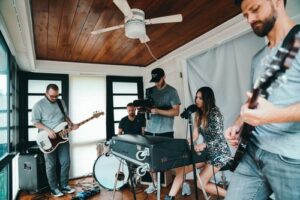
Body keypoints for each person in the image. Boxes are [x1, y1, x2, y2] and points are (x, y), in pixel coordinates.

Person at [225, 0, 300, 199]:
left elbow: (270, 113)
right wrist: (239, 123)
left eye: (255, 9)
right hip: (252, 152)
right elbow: (254, 101)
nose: (249, 19)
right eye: (245, 15)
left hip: (291, 159)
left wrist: (276, 115)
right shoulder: (258, 59)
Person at [165, 87, 231, 200]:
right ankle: (170, 198)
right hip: (206, 153)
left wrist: (203, 145)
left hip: (219, 153)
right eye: (196, 97)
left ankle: (235, 196)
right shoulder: (198, 114)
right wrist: (185, 143)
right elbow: (195, 135)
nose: (197, 100)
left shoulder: (215, 114)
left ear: (207, 99)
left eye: (200, 98)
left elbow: (219, 138)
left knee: (201, 183)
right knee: (182, 170)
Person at [31, 84, 79, 197]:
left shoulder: (60, 102)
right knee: (51, 165)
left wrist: (71, 123)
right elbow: (35, 122)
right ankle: (54, 188)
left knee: (66, 162)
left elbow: (65, 116)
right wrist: (47, 130)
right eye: (52, 96)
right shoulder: (38, 105)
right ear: (46, 93)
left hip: (62, 137)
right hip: (47, 139)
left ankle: (64, 185)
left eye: (56, 96)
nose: (54, 98)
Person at [143, 67, 181, 194]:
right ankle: (154, 184)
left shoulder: (172, 91)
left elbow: (176, 111)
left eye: (158, 79)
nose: (156, 83)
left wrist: (158, 111)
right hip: (150, 130)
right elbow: (147, 108)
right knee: (149, 160)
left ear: (164, 77)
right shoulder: (150, 91)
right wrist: (143, 109)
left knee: (169, 159)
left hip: (165, 131)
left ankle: (181, 183)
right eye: (154, 80)